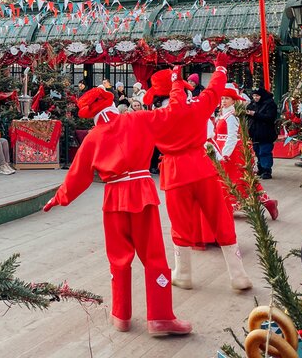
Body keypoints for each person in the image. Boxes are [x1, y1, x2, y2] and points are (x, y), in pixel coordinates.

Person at [43, 88, 192, 336]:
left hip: (113, 197)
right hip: (142, 193)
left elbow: (77, 176)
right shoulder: (138, 118)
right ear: (111, 102)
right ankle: (160, 317)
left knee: (119, 258)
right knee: (153, 256)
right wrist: (176, 85)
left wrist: (58, 199)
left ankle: (121, 315)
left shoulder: (93, 137)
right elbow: (171, 114)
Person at [144, 59, 253, 292]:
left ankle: (183, 273)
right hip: (202, 167)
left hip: (174, 173)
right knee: (220, 217)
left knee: (180, 224)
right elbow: (214, 91)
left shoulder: (152, 118)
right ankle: (238, 274)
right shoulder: (196, 108)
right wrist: (221, 68)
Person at [214, 85, 279, 220]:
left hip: (230, 152)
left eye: (227, 98)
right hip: (223, 150)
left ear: (233, 100)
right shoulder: (224, 113)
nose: (223, 101)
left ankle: (229, 205)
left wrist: (225, 154)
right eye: (222, 98)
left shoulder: (231, 116)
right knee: (235, 179)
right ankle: (267, 202)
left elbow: (232, 137)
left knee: (235, 179)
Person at [246, 87, 279, 180]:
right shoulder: (253, 104)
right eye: (254, 96)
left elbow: (269, 117)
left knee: (264, 152)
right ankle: (261, 168)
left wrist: (255, 114)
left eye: (257, 96)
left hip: (266, 133)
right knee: (257, 151)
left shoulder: (270, 104)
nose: (255, 97)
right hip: (255, 134)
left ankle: (266, 170)